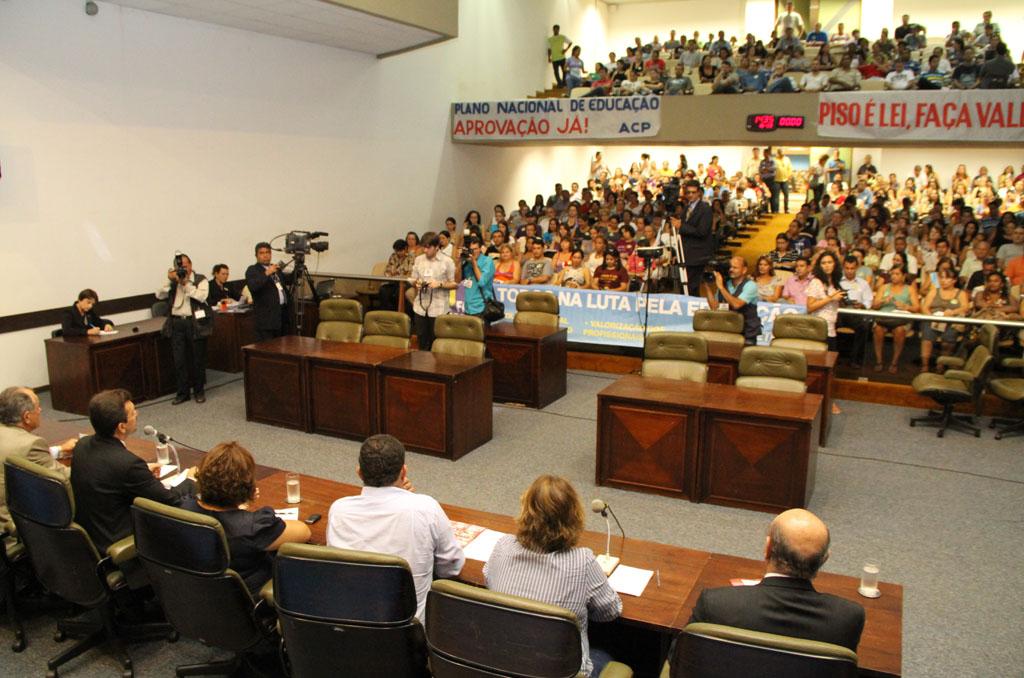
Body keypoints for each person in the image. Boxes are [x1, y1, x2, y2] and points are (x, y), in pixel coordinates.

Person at [485, 475, 622, 677]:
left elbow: (488, 580)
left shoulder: (502, 546)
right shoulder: (582, 561)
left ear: (524, 510)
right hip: (561, 672)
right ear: (574, 516)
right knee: (606, 656)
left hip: (505, 665)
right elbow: (610, 611)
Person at [326, 434, 463, 621]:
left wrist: (402, 497)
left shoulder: (338, 510)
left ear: (359, 473)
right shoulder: (425, 508)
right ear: (404, 472)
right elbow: (452, 566)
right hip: (407, 637)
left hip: (350, 628)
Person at [689, 508, 865, 652]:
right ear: (824, 560)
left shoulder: (715, 604)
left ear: (767, 549)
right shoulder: (847, 618)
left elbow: (682, 664)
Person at [70, 389, 196, 554]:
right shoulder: (127, 464)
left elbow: (110, 475)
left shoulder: (82, 445)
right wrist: (189, 480)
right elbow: (170, 500)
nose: (137, 413)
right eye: (132, 413)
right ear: (121, 427)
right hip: (116, 542)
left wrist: (141, 473)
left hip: (89, 535)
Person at [182, 442, 309, 593]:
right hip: (250, 599)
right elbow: (304, 532)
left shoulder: (182, 510)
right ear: (247, 486)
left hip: (196, 595)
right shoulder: (251, 527)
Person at [0, 387, 77, 534]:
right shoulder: (31, 444)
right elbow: (65, 479)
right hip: (13, 531)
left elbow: (20, 456)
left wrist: (58, 450)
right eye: (37, 407)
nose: (41, 410)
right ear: (27, 417)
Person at [156, 252, 212, 405]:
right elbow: (159, 295)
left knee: (197, 359)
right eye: (180, 266)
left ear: (191, 265)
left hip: (194, 323)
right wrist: (170, 280)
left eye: (185, 265)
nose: (183, 268)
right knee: (179, 360)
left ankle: (199, 391)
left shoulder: (201, 279)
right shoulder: (173, 282)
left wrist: (186, 283)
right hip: (176, 323)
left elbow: (201, 297)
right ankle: (183, 393)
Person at [410, 235, 457, 351]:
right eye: (423, 248)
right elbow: (412, 279)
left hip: (438, 308)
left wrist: (440, 284)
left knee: (435, 342)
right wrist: (416, 283)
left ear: (436, 247)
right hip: (420, 306)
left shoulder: (447, 261)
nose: (425, 250)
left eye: (428, 247)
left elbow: (454, 284)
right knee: (421, 341)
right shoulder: (419, 259)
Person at [919, 269, 970, 373]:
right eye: (941, 278)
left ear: (954, 280)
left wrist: (953, 312)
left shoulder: (961, 293)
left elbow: (966, 308)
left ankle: (941, 364)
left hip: (951, 321)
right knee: (927, 338)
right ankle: (925, 365)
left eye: (947, 278)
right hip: (933, 319)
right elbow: (925, 307)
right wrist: (932, 317)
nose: (943, 280)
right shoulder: (934, 291)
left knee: (948, 341)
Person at [871, 266, 920, 373]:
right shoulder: (884, 287)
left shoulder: (910, 289)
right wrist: (883, 300)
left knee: (899, 331)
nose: (894, 276)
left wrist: (906, 306)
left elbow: (917, 308)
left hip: (900, 320)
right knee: (878, 329)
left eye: (897, 274)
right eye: (892, 274)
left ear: (903, 276)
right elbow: (874, 306)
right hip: (883, 319)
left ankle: (894, 362)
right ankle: (879, 360)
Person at [705, 256, 761, 345]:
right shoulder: (726, 284)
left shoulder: (751, 285)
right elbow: (714, 307)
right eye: (730, 267)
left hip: (746, 333)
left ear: (744, 270)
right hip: (727, 330)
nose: (731, 270)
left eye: (735, 267)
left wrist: (721, 287)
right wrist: (707, 287)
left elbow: (736, 304)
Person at [245, 242, 292, 343]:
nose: (266, 255)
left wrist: (298, 265)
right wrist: (267, 273)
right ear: (256, 256)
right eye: (262, 253)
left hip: (281, 316)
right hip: (266, 319)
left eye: (268, 252)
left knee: (282, 347)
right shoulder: (252, 270)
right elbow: (254, 286)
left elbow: (287, 282)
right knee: (268, 349)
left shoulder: (276, 269)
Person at [677, 180, 715, 296]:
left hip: (697, 254)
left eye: (693, 192)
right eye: (688, 193)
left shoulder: (705, 208)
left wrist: (681, 226)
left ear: (699, 193)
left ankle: (693, 311)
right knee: (683, 286)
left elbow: (702, 231)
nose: (690, 195)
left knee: (692, 287)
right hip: (685, 253)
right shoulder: (686, 208)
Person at [837, 255, 874, 365]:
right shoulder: (837, 282)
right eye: (847, 268)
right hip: (840, 312)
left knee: (864, 326)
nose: (849, 271)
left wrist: (862, 305)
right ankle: (833, 356)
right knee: (828, 323)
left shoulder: (863, 283)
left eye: (852, 268)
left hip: (855, 313)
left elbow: (869, 301)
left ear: (856, 268)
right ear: (843, 268)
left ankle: (855, 359)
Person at [805, 252, 844, 350]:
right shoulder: (816, 282)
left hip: (831, 327)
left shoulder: (835, 282)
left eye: (830, 262)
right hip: (818, 328)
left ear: (835, 264)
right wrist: (830, 298)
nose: (827, 266)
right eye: (823, 263)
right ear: (819, 266)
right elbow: (810, 307)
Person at [460, 236, 496, 322]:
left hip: (481, 307)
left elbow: (482, 282)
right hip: (467, 307)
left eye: (475, 249)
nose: (473, 252)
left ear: (480, 248)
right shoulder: (466, 262)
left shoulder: (488, 261)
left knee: (482, 335)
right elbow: (458, 281)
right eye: (471, 250)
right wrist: (459, 261)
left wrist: (474, 263)